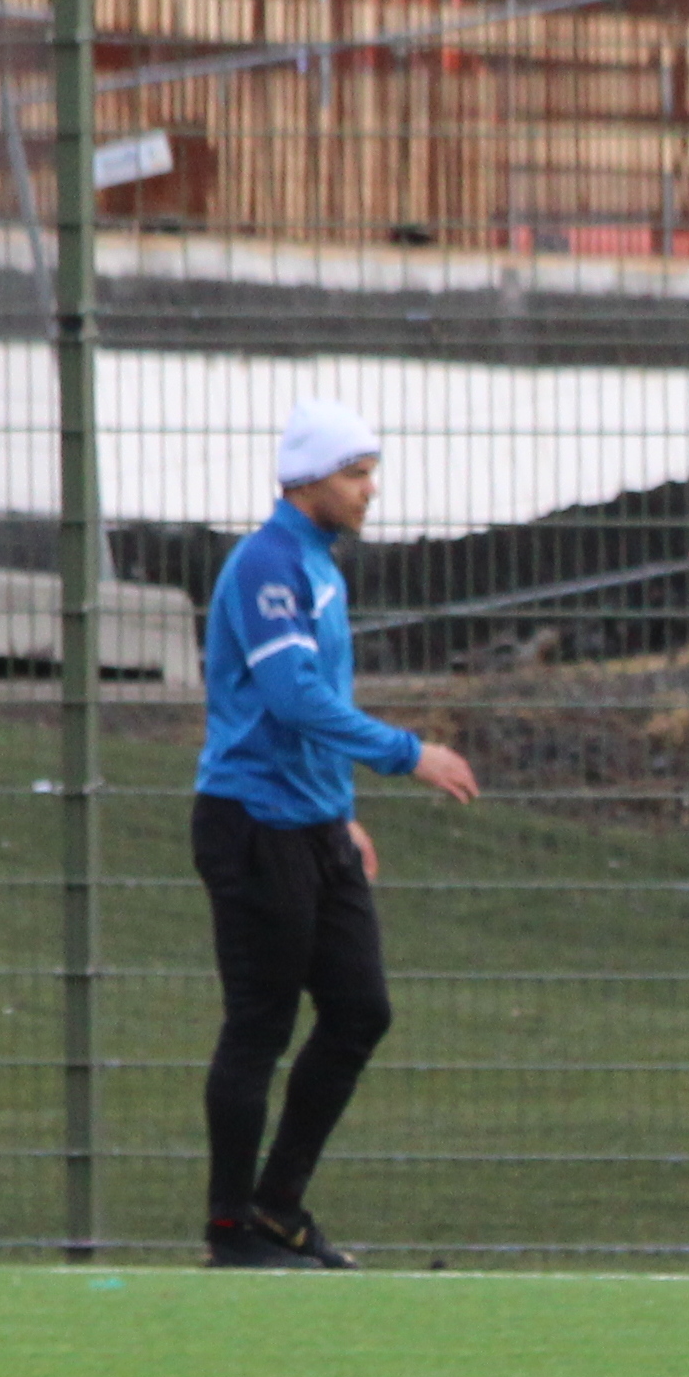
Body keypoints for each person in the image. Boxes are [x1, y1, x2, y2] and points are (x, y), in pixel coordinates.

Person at [192, 397, 478, 1269]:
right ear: (308, 479)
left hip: (316, 825)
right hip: (253, 822)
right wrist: (408, 754)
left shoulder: (317, 563)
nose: (369, 490)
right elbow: (293, 699)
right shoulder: (268, 564)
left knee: (360, 1011)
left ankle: (277, 1207)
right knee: (260, 1026)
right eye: (355, 474)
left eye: (369, 472)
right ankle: (232, 1231)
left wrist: (342, 813)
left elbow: (316, 710)